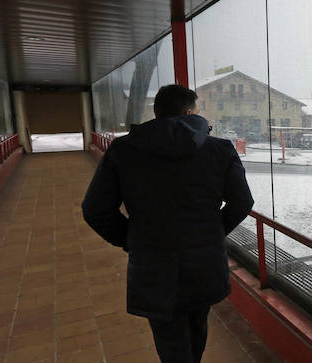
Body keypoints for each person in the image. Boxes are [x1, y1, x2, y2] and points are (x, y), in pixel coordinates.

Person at [82, 84, 254, 363]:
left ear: (157, 112)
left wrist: (131, 239)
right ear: (189, 112)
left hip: (153, 265)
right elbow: (242, 202)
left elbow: (94, 209)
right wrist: (211, 233)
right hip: (204, 264)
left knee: (169, 338)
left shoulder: (123, 150)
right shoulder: (220, 150)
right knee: (198, 327)